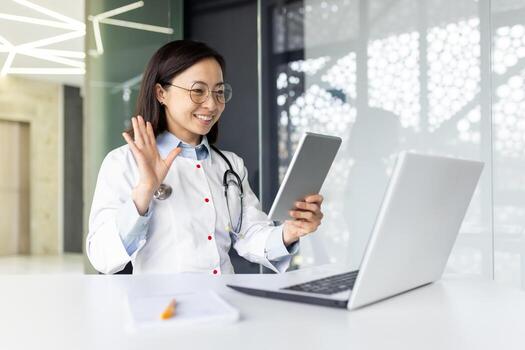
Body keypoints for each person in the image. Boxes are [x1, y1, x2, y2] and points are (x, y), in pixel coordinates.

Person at [86, 40, 324, 274]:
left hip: (224, 301)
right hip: (161, 307)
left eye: (219, 92)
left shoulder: (230, 165)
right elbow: (101, 256)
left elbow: (249, 234)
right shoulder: (123, 162)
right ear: (161, 93)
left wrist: (290, 231)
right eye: (198, 91)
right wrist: (144, 191)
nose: (211, 104)